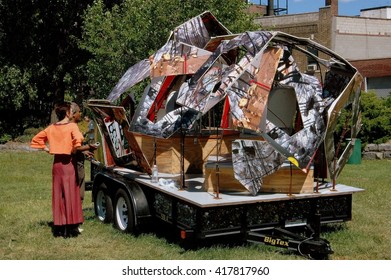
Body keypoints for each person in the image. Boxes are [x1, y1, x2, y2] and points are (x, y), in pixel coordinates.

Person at [30, 102, 90, 238]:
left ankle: (59, 227)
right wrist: (73, 149)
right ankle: (70, 229)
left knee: (59, 195)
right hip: (68, 164)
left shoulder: (51, 128)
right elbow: (78, 140)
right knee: (70, 194)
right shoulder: (72, 126)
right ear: (68, 113)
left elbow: (35, 140)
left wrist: (49, 149)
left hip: (56, 165)